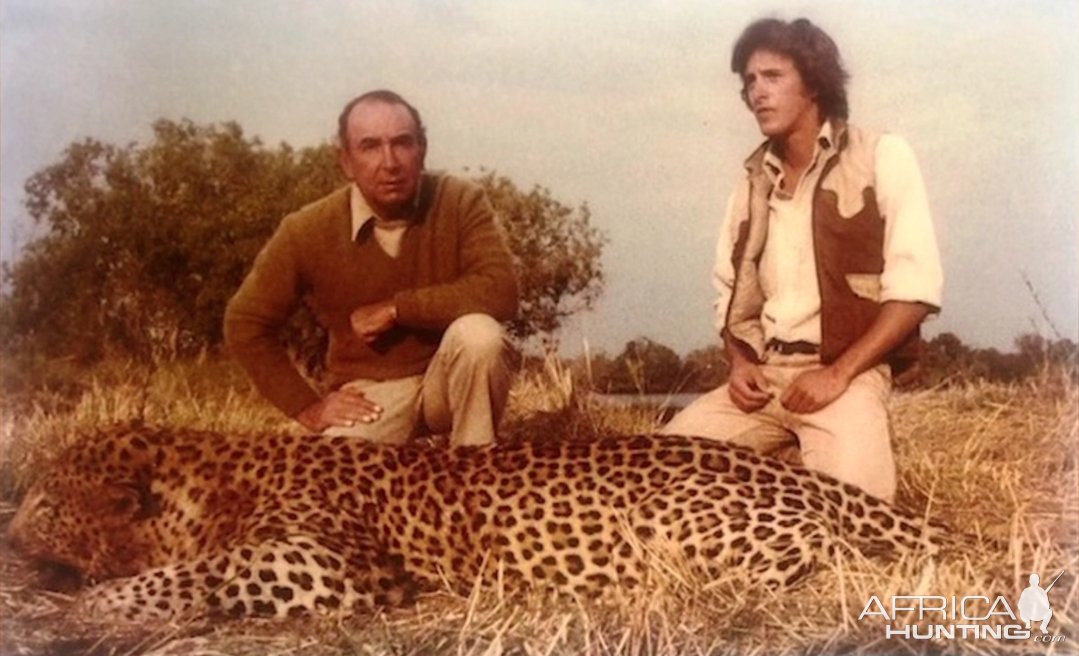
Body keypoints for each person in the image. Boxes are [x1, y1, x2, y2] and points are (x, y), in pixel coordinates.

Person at [662, 18, 943, 502]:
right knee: (654, 476)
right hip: (765, 380)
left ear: (814, 84)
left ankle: (798, 466)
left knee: (858, 515)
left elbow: (914, 291)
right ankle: (784, 466)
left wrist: (837, 374)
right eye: (749, 81)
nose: (757, 93)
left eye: (772, 77)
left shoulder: (881, 155)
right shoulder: (751, 182)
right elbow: (728, 295)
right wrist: (740, 362)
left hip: (846, 377)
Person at [224, 90, 519, 446]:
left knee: (479, 335)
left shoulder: (460, 200)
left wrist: (398, 309)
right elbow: (245, 322)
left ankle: (475, 471)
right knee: (329, 475)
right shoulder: (307, 228)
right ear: (345, 160)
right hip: (371, 395)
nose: (390, 162)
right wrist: (307, 408)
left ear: (421, 150)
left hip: (449, 381)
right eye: (370, 146)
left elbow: (501, 290)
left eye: (402, 143)